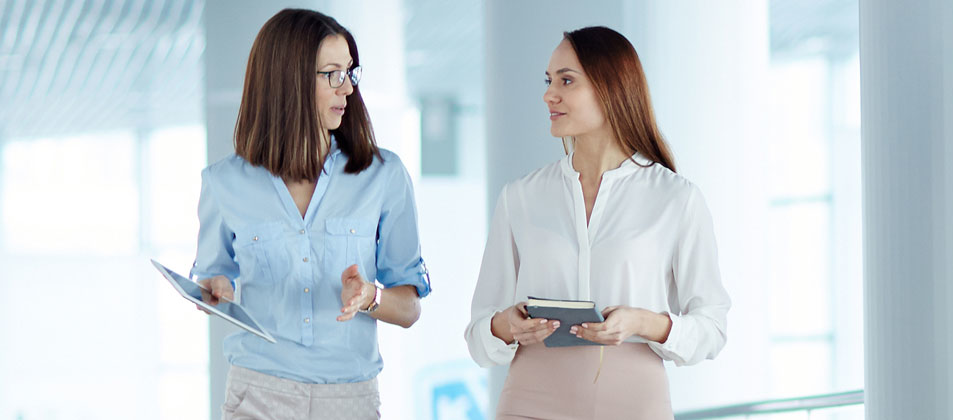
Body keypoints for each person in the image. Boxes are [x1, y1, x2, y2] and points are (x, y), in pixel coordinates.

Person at [464, 26, 731, 419]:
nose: (549, 94)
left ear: (611, 89)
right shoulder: (520, 197)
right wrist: (506, 326)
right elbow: (477, 333)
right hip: (529, 400)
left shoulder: (675, 198)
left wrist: (645, 322)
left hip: (634, 402)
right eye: (549, 80)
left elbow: (712, 328)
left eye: (566, 81)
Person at [190, 8, 431, 420]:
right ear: (289, 79)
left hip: (349, 399)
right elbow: (214, 279)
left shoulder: (383, 176)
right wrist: (215, 290)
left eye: (350, 73)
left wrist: (369, 296)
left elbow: (409, 308)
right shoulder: (222, 182)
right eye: (333, 74)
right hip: (257, 393)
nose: (348, 89)